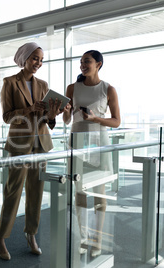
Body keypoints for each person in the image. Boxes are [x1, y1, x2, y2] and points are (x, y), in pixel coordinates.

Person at [0, 42, 65, 260]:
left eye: (41, 60)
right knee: (13, 191)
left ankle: (31, 234)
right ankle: (0, 237)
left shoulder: (43, 85)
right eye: (35, 58)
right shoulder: (10, 83)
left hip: (40, 144)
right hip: (19, 145)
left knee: (36, 191)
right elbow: (7, 117)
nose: (38, 63)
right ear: (24, 57)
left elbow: (46, 120)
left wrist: (52, 116)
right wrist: (28, 110)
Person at [63, 50, 120, 257]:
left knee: (99, 195)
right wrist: (67, 111)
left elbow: (116, 121)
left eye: (87, 61)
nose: (82, 65)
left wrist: (97, 119)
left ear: (99, 64)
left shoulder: (108, 89)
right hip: (77, 143)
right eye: (81, 62)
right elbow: (67, 120)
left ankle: (97, 240)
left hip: (99, 145)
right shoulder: (72, 88)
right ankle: (82, 237)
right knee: (79, 193)